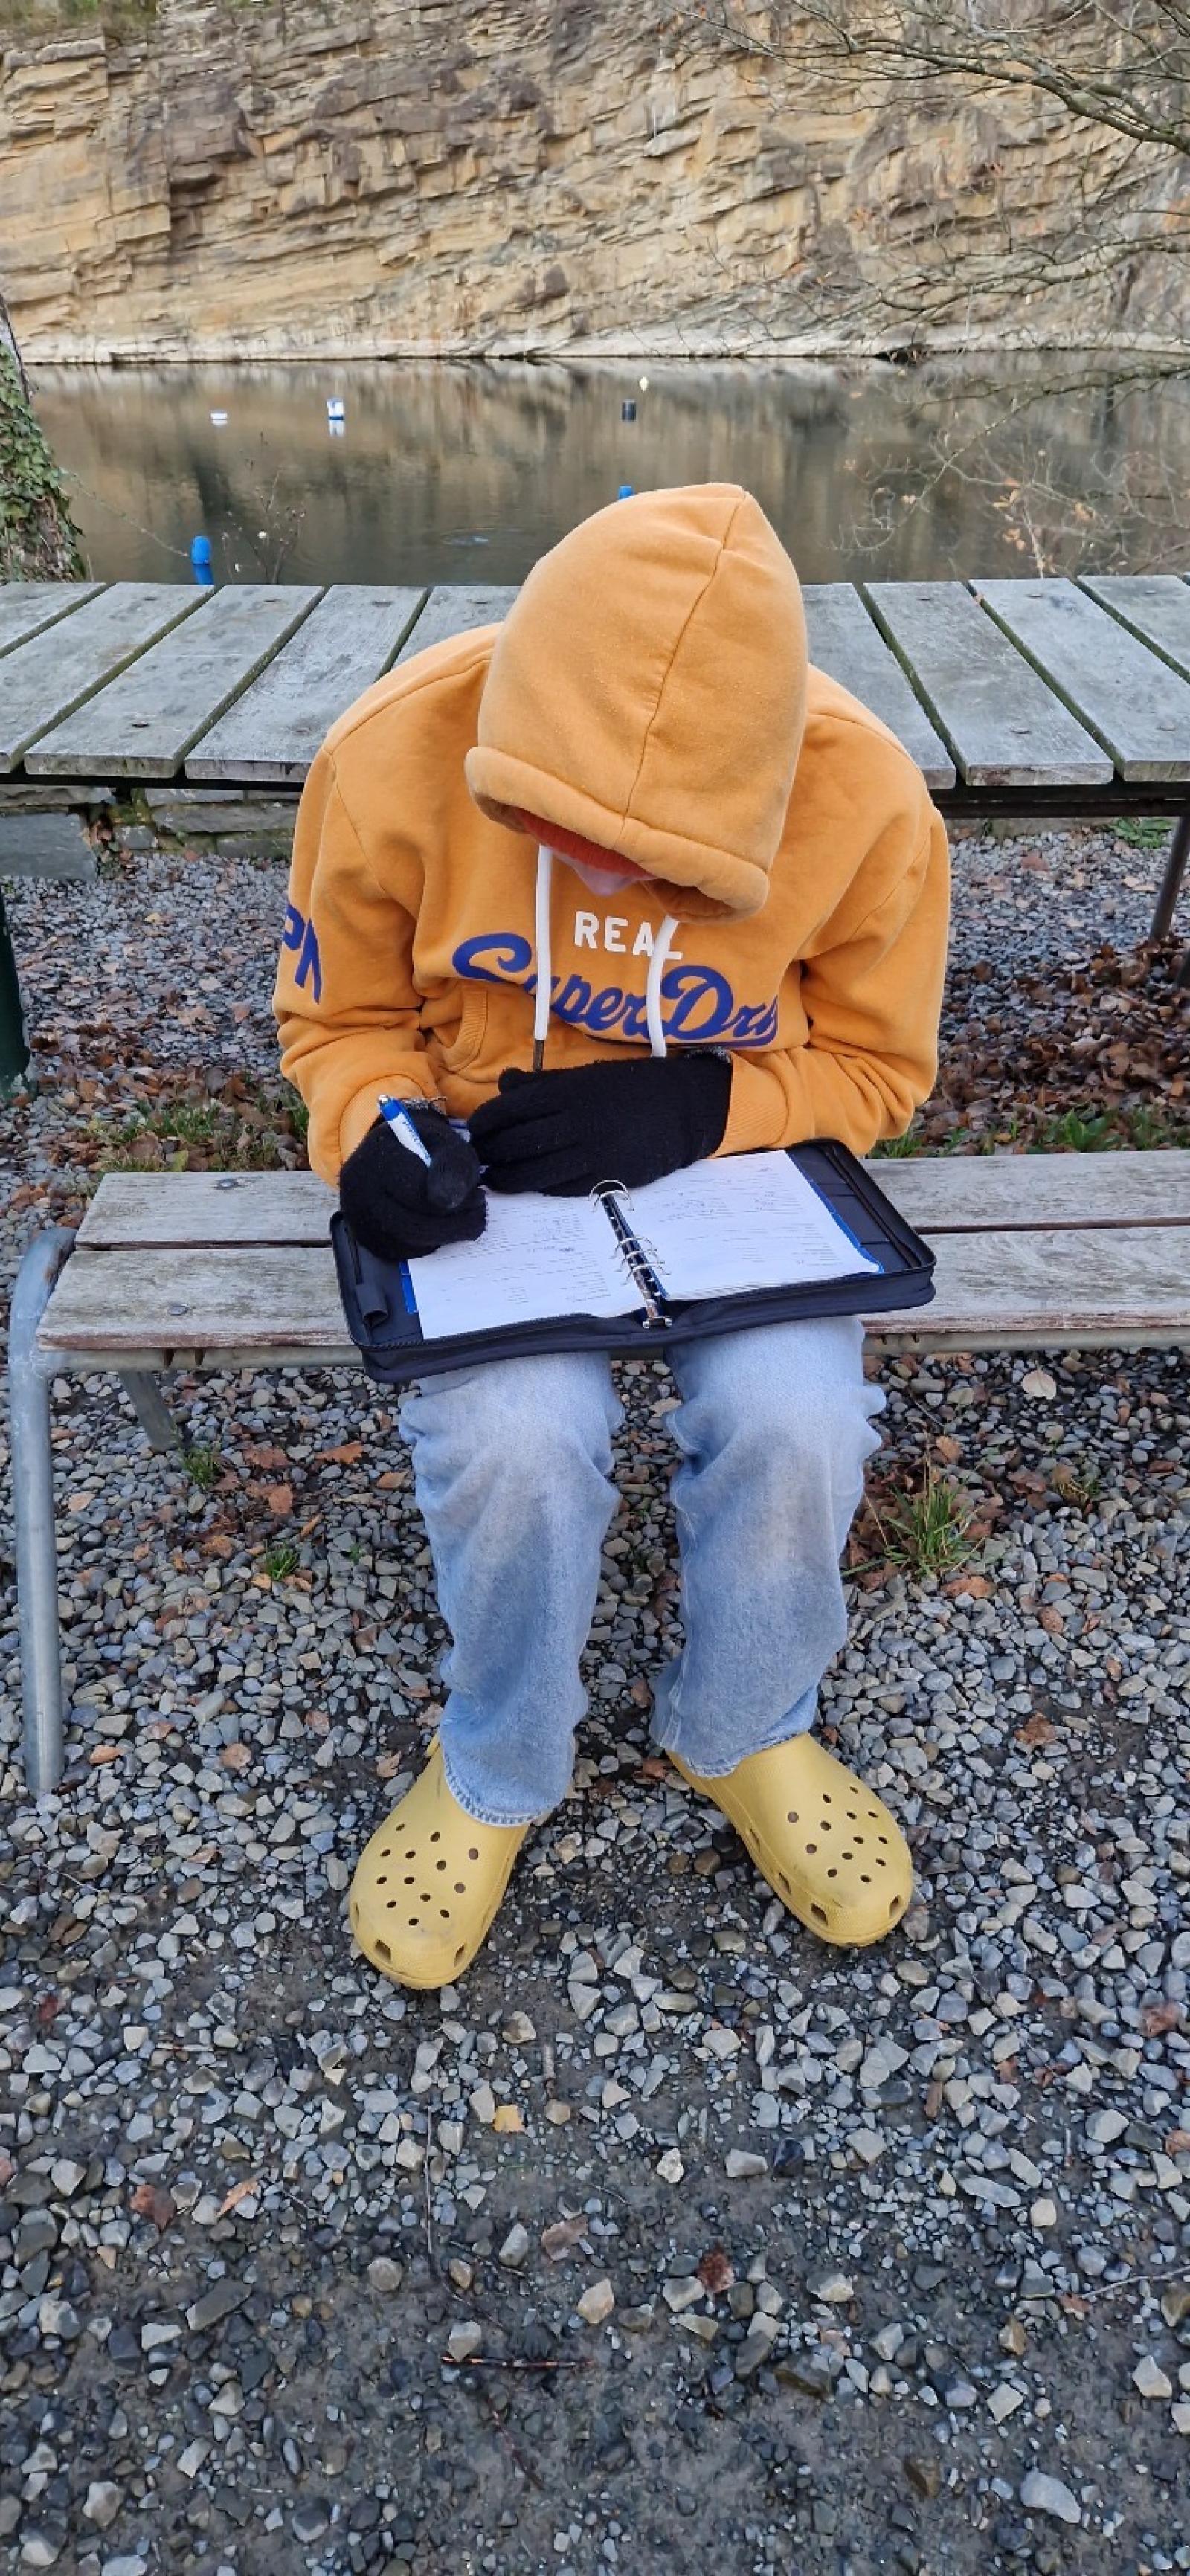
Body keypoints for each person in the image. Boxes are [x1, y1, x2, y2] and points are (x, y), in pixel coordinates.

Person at [274, 483, 949, 1990]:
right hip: (491, 1171)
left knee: (798, 1421)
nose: (596, 875)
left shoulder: (866, 798)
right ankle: (498, 1759)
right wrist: (374, 1128)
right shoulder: (387, 748)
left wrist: (711, 1102)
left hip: (736, 1172)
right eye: (546, 824)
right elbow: (338, 1020)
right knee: (515, 1437)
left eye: (666, 868)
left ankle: (745, 1725)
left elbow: (879, 1069)